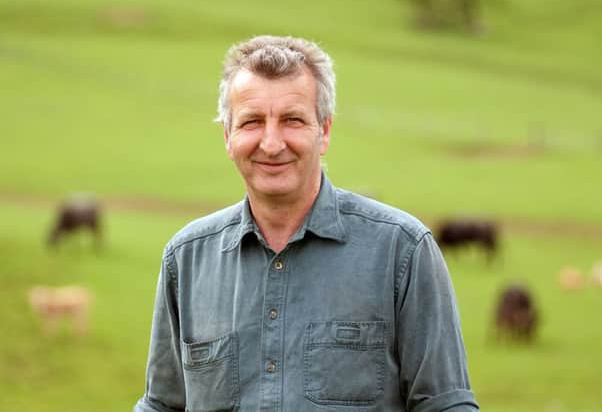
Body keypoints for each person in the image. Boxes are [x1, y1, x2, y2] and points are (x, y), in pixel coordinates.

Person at [134, 35, 479, 412]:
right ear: (228, 137)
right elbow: (162, 406)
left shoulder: (403, 251)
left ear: (324, 131)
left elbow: (446, 406)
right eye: (251, 122)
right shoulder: (186, 259)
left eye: (292, 120)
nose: (271, 142)